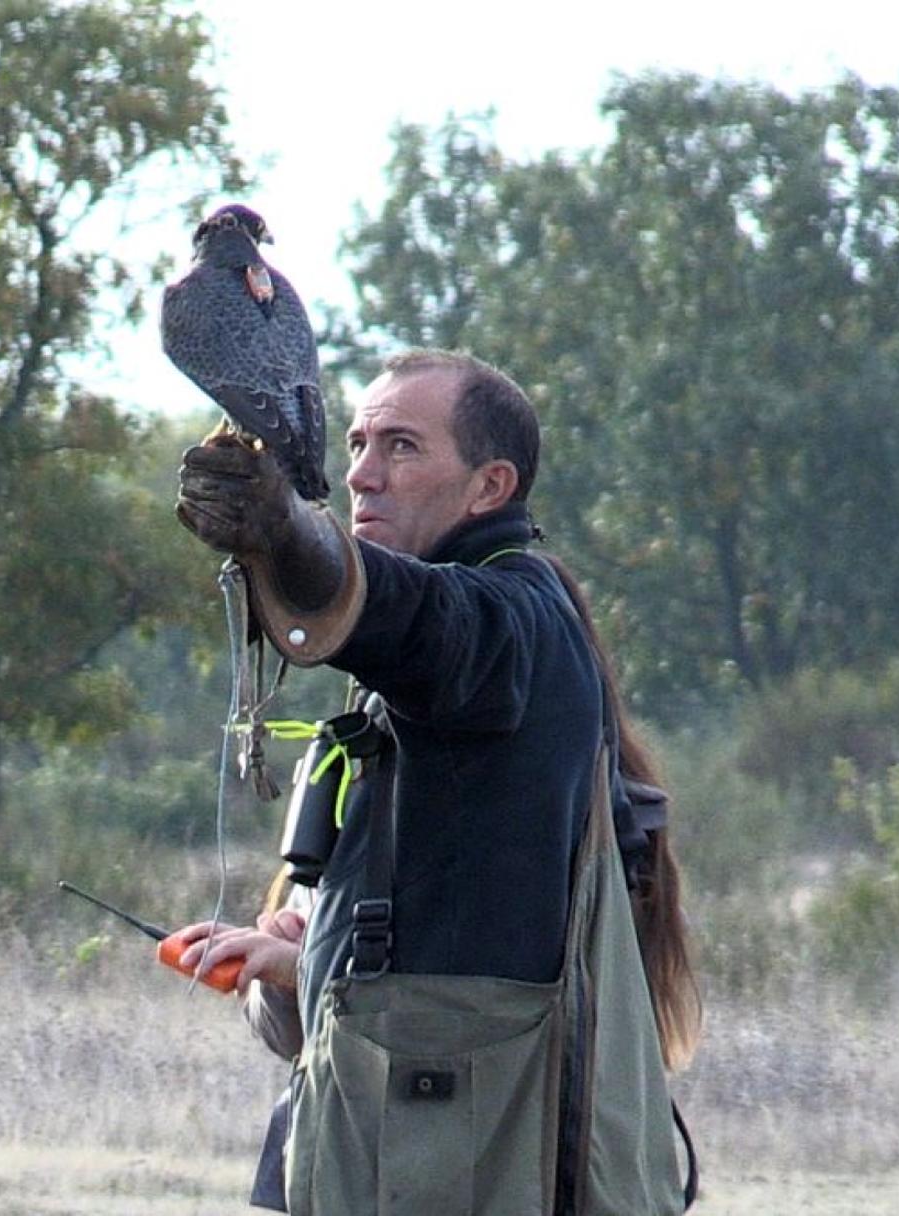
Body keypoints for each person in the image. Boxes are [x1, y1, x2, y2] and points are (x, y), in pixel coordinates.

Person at [173, 349, 700, 1214]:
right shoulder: (388, 693)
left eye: (403, 447)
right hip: (378, 1150)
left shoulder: (516, 621)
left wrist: (297, 542)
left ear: (490, 487)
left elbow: (429, 625)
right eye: (355, 443)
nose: (361, 473)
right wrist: (296, 963)